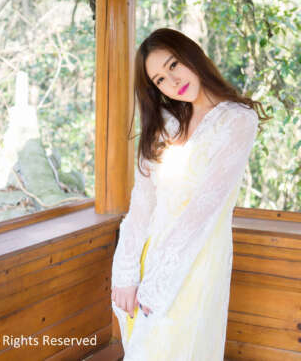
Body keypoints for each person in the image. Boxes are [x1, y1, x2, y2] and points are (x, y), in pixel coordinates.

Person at [110, 28, 271, 360]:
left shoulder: (237, 120)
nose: (172, 81)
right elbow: (142, 204)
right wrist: (126, 272)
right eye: (159, 79)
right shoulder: (163, 124)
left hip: (197, 261)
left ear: (191, 55)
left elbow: (204, 208)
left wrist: (158, 284)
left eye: (173, 65)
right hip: (149, 257)